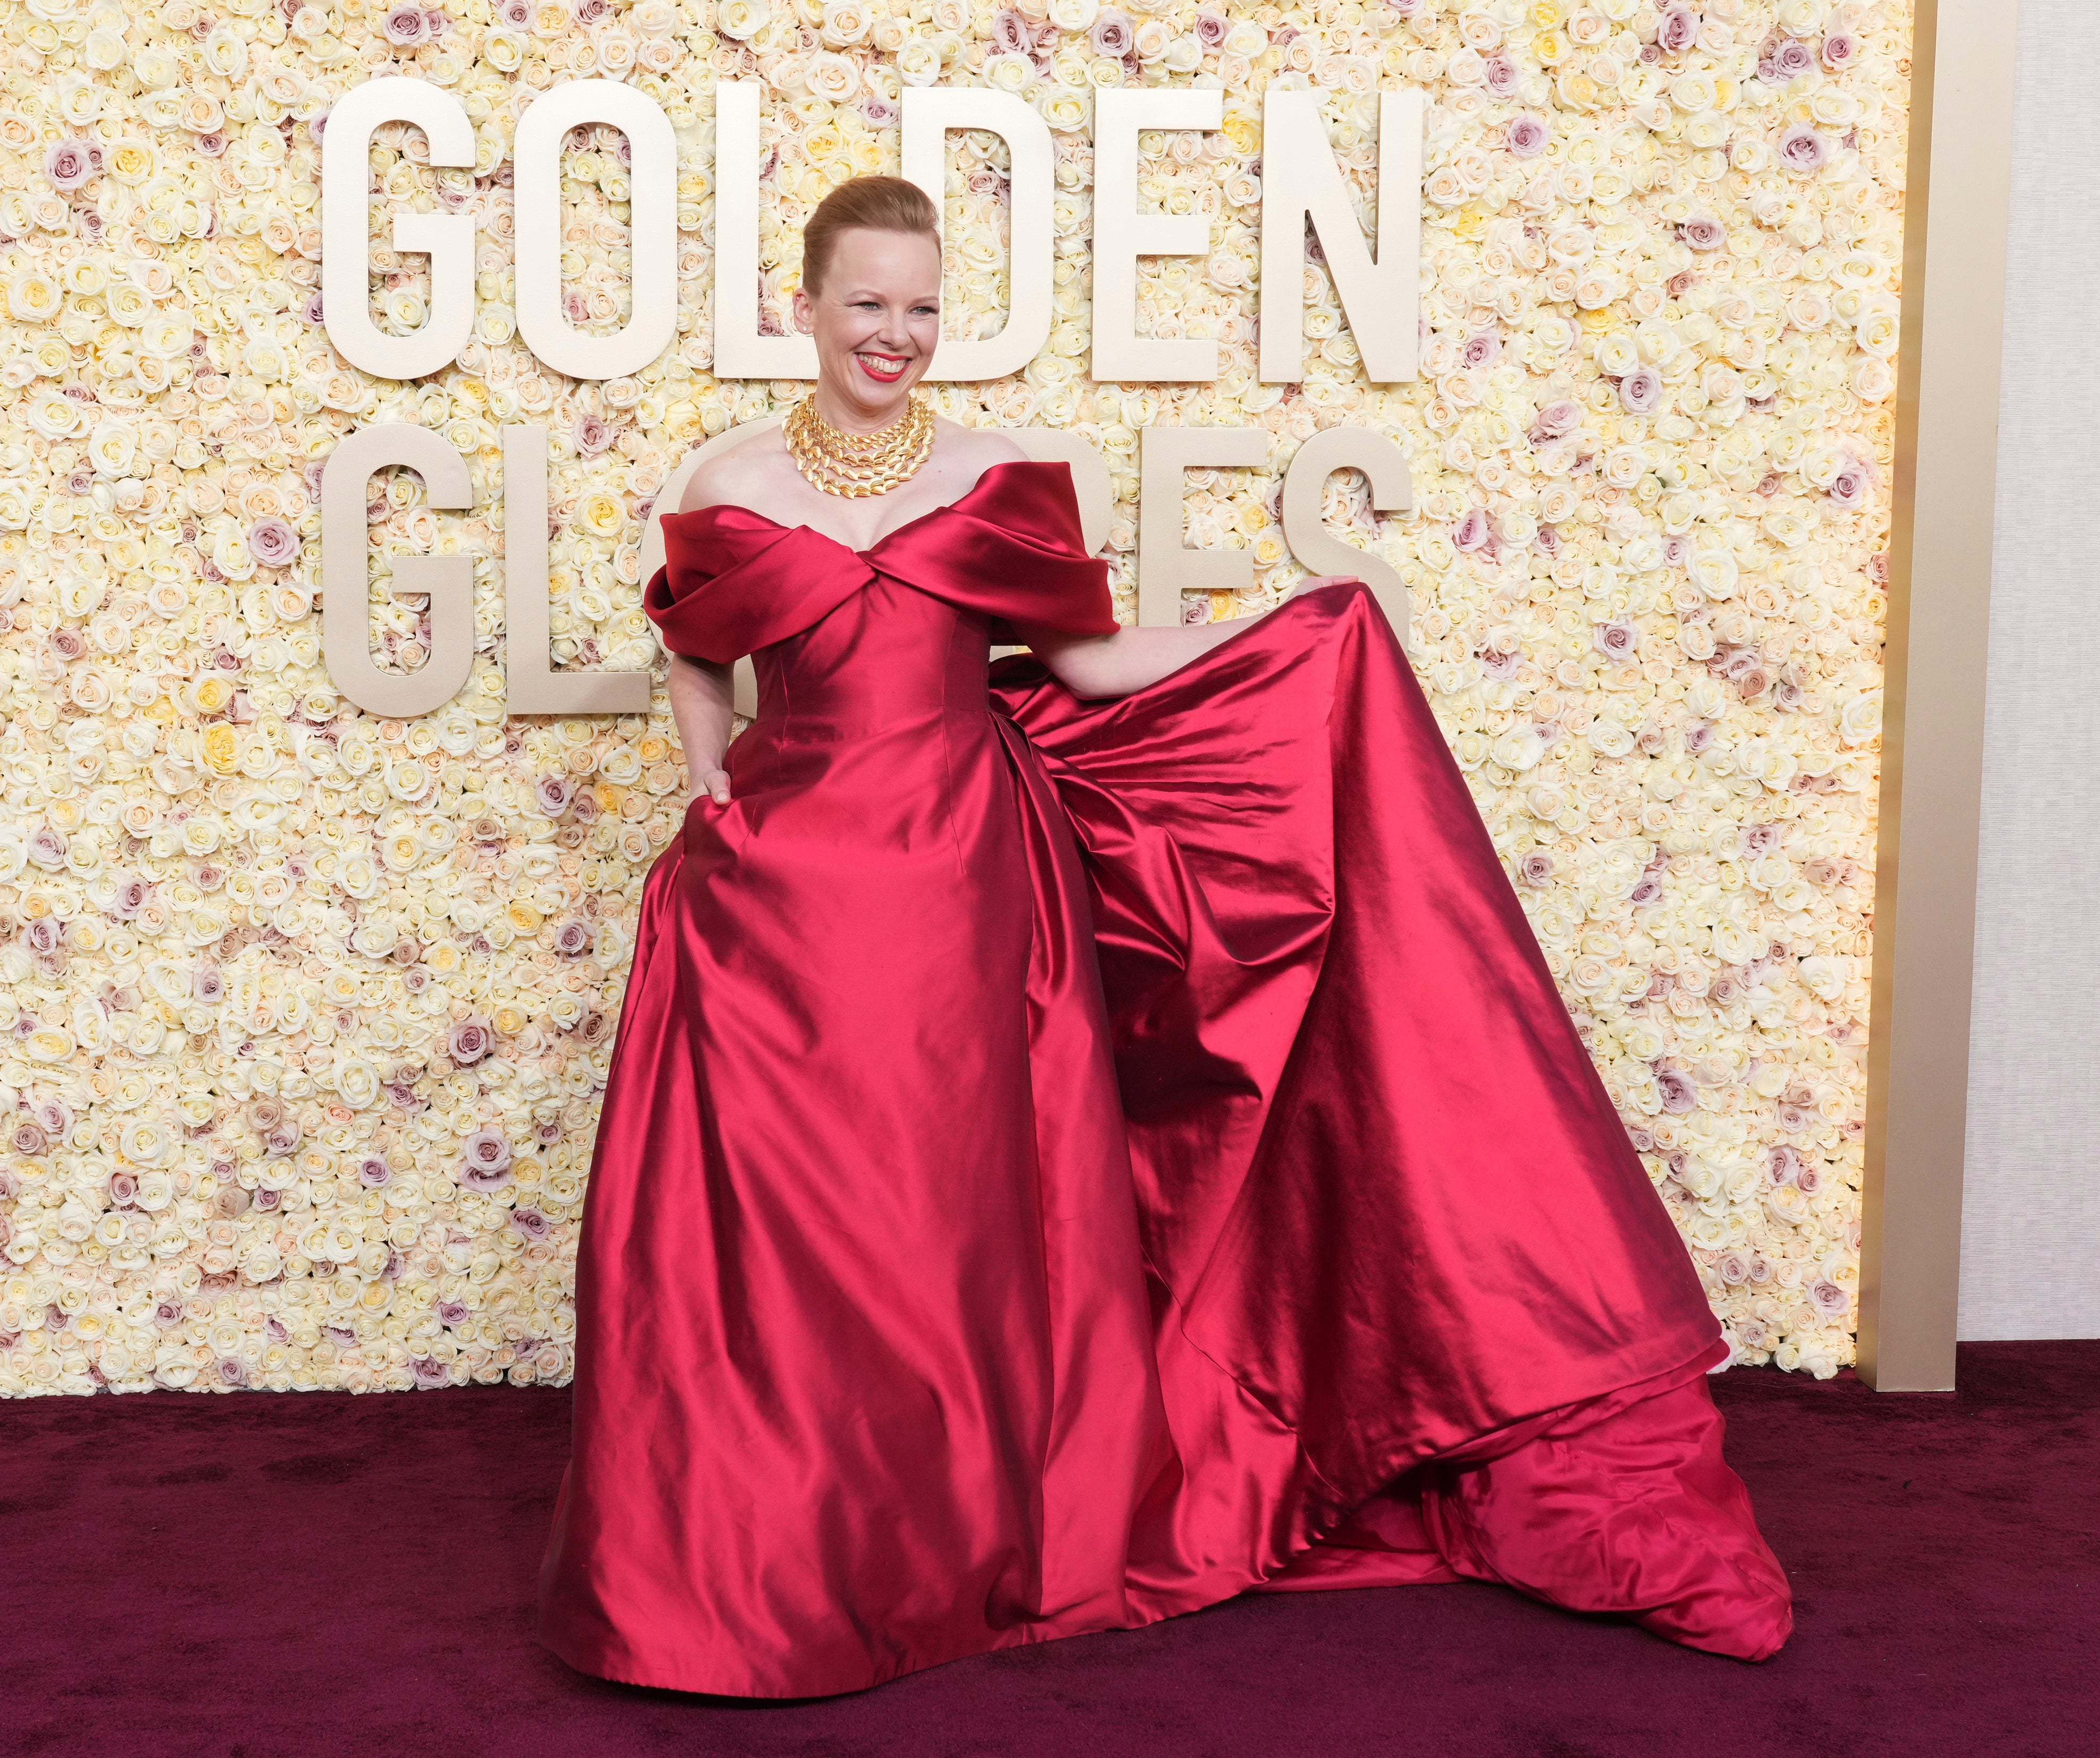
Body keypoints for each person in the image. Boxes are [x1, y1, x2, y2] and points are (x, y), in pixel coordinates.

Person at [534, 176, 1793, 1698]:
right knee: (801, 1231)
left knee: (956, 1214)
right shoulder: (726, 471)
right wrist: (708, 784)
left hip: (965, 886)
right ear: (801, 307)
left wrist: (1290, 627)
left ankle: (968, 1540)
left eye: (924, 307)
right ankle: (787, 1552)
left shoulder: (1000, 477)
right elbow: (693, 650)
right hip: (783, 896)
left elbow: (1094, 657)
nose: (898, 334)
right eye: (868, 303)